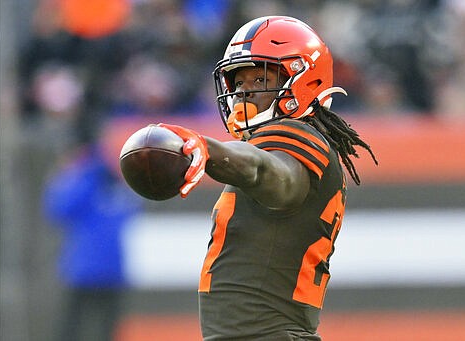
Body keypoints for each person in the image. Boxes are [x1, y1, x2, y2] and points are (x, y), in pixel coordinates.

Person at [153, 16, 377, 340]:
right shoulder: (279, 142)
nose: (244, 93)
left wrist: (209, 149)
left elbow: (268, 172)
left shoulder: (294, 134)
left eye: (258, 80)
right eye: (238, 83)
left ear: (304, 79)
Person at [43, 124, 143, 341]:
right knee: (97, 328)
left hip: (86, 268)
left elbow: (58, 209)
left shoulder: (85, 178)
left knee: (77, 328)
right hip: (102, 268)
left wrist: (76, 173)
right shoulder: (111, 177)